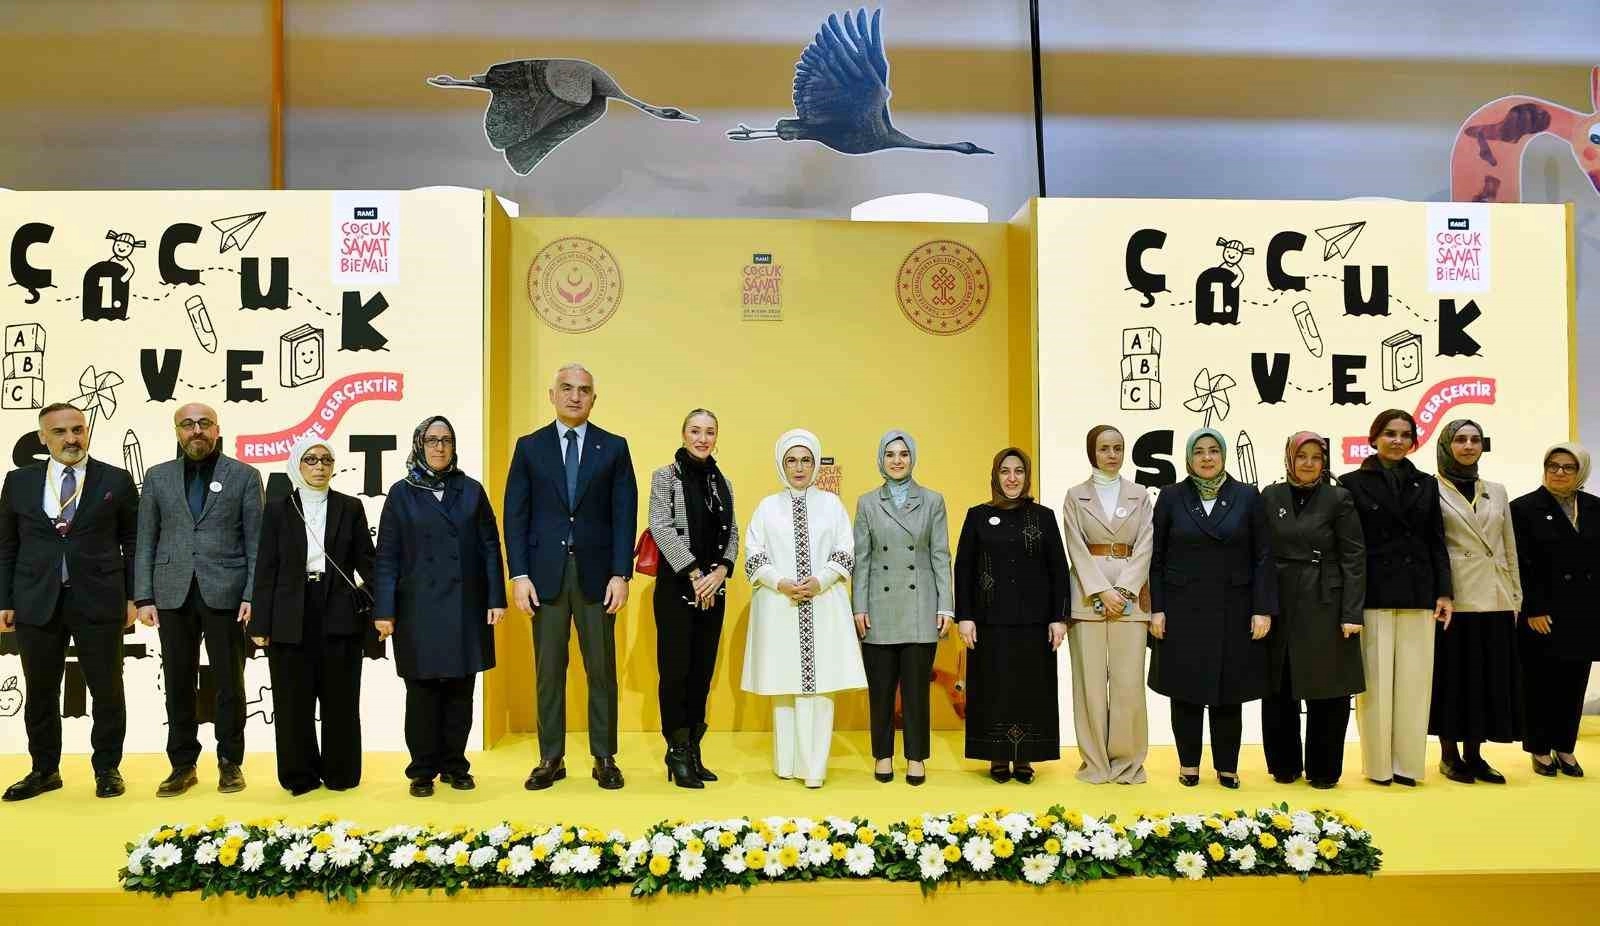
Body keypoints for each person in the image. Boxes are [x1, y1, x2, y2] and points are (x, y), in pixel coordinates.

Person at [504, 363, 637, 791]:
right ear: (553, 395)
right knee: (548, 670)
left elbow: (624, 515)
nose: (575, 396)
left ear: (594, 398)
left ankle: (604, 756)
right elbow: (515, 514)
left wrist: (621, 573)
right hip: (544, 577)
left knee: (601, 669)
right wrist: (519, 574)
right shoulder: (529, 447)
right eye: (567, 388)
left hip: (598, 578)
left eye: (583, 390)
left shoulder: (614, 448)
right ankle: (551, 757)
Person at [0, 403, 139, 802]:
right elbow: (7, 544)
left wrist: (133, 596)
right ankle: (44, 770)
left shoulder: (116, 479)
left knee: (107, 689)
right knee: (40, 690)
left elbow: (133, 542)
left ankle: (107, 769)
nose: (71, 438)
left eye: (78, 429)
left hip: (99, 599)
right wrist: (4, 599)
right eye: (60, 432)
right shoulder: (19, 481)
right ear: (42, 438)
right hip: (35, 599)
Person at [133, 401, 263, 797]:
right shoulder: (157, 477)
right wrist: (143, 596)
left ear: (217, 429)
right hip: (171, 593)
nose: (196, 430)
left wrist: (251, 593)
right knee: (177, 680)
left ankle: (230, 762)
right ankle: (182, 764)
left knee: (229, 681)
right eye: (187, 424)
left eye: (204, 423)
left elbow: (256, 542)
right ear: (177, 432)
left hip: (226, 592)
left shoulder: (245, 475)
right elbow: (145, 540)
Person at [374, 416, 506, 798]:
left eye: (446, 440)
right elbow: (387, 556)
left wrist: (495, 598)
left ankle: (455, 765)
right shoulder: (401, 493)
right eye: (432, 440)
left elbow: (490, 546)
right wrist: (384, 610)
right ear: (419, 444)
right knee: (422, 694)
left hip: (465, 606)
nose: (439, 447)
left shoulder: (471, 490)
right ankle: (422, 770)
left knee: (461, 692)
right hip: (416, 609)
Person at [247, 437, 376, 795]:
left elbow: (369, 562)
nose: (319, 466)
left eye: (326, 460)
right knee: (292, 701)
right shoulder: (277, 510)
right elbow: (266, 568)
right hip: (289, 611)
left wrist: (369, 600)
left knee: (341, 698)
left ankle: (341, 773)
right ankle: (299, 775)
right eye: (311, 460)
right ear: (297, 465)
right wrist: (260, 622)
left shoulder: (350, 507)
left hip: (338, 610)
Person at [1147, 428, 1275, 789]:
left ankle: (1227, 766)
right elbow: (1156, 557)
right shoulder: (1171, 496)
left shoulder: (1247, 496)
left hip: (1234, 608)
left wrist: (1262, 608)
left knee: (1229, 690)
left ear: (1223, 456)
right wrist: (1157, 608)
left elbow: (1263, 556)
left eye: (1213, 450)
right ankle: (1188, 764)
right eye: (1199, 451)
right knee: (1184, 689)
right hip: (1181, 608)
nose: (1207, 457)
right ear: (1189, 458)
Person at [741, 428, 865, 788]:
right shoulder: (767, 507)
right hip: (779, 604)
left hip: (823, 605)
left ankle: (814, 770)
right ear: (781, 465)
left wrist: (820, 581)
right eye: (792, 460)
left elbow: (845, 551)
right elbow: (753, 554)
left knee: (819, 689)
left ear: (815, 464)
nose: (799, 467)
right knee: (784, 685)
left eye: (806, 460)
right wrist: (779, 582)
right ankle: (787, 764)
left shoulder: (832, 506)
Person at [1340, 409, 1452, 786]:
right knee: (1374, 686)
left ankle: (1408, 766)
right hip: (1372, 593)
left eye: (1405, 434)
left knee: (1415, 684)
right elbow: (1349, 548)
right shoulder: (1350, 483)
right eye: (1390, 433)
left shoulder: (1426, 484)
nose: (1398, 440)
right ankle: (1378, 767)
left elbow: (1436, 540)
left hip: (1419, 592)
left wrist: (1444, 591)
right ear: (1374, 438)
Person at [954, 447, 1069, 784]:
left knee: (1030, 690)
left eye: (1019, 471)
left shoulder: (1043, 517)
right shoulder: (978, 516)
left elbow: (1059, 570)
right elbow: (964, 568)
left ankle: (1025, 758)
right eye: (1005, 471)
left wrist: (1058, 618)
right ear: (995, 476)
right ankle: (997, 756)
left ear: (1027, 476)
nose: (1012, 478)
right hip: (989, 622)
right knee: (994, 689)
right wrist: (965, 616)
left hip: (1035, 622)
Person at [1259, 432, 1365, 789]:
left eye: (1316, 457)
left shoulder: (1339, 498)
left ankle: (1324, 770)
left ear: (1324, 462)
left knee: (1329, 687)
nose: (1308, 463)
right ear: (1289, 459)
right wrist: (1260, 605)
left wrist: (1352, 612)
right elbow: (1260, 553)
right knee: (1279, 684)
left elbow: (1354, 557)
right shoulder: (1270, 495)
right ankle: (1284, 765)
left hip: (1326, 602)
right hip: (1280, 600)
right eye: (1301, 456)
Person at [851, 429, 952, 786]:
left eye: (904, 454)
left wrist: (946, 607)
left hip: (920, 606)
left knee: (916, 691)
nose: (897, 460)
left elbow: (940, 556)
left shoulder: (933, 501)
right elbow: (861, 559)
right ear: (881, 459)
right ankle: (882, 755)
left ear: (913, 458)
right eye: (890, 454)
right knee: (880, 690)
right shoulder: (866, 503)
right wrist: (858, 606)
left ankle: (916, 757)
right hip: (878, 608)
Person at [648, 409, 737, 789]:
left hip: (713, 590)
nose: (703, 438)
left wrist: (721, 572)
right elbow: (660, 526)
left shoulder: (723, 482)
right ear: (684, 434)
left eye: (710, 432)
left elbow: (733, 532)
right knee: (675, 673)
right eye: (696, 431)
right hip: (677, 589)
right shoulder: (665, 477)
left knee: (702, 672)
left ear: (716, 437)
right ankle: (677, 750)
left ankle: (694, 749)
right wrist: (696, 574)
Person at [1060, 424, 1154, 785]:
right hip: (1087, 598)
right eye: (1104, 448)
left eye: (1117, 448)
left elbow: (1146, 544)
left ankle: (1128, 763)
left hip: (1132, 600)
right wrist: (1101, 591)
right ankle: (1096, 763)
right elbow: (1075, 547)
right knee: (1091, 685)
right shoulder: (1075, 496)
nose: (1112, 455)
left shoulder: (1140, 495)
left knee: (1129, 684)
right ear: (1092, 452)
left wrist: (1125, 591)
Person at [1431, 419, 1522, 784]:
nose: (1469, 446)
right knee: (1453, 679)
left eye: (1475, 439)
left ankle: (1475, 754)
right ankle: (1449, 755)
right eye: (1460, 439)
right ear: (1446, 445)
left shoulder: (1496, 491)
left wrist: (1515, 595)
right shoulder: (1430, 489)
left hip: (1495, 597)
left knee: (1486, 679)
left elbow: (1508, 545)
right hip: (1455, 599)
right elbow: (1432, 545)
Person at [1511, 442, 1598, 778]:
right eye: (1553, 466)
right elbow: (1521, 563)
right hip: (1542, 612)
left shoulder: (1594, 507)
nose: (1559, 472)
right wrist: (1532, 608)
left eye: (1568, 467)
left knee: (1573, 682)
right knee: (1540, 682)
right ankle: (1539, 748)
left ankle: (1565, 746)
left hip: (1583, 611)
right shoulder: (1523, 508)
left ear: (1581, 472)